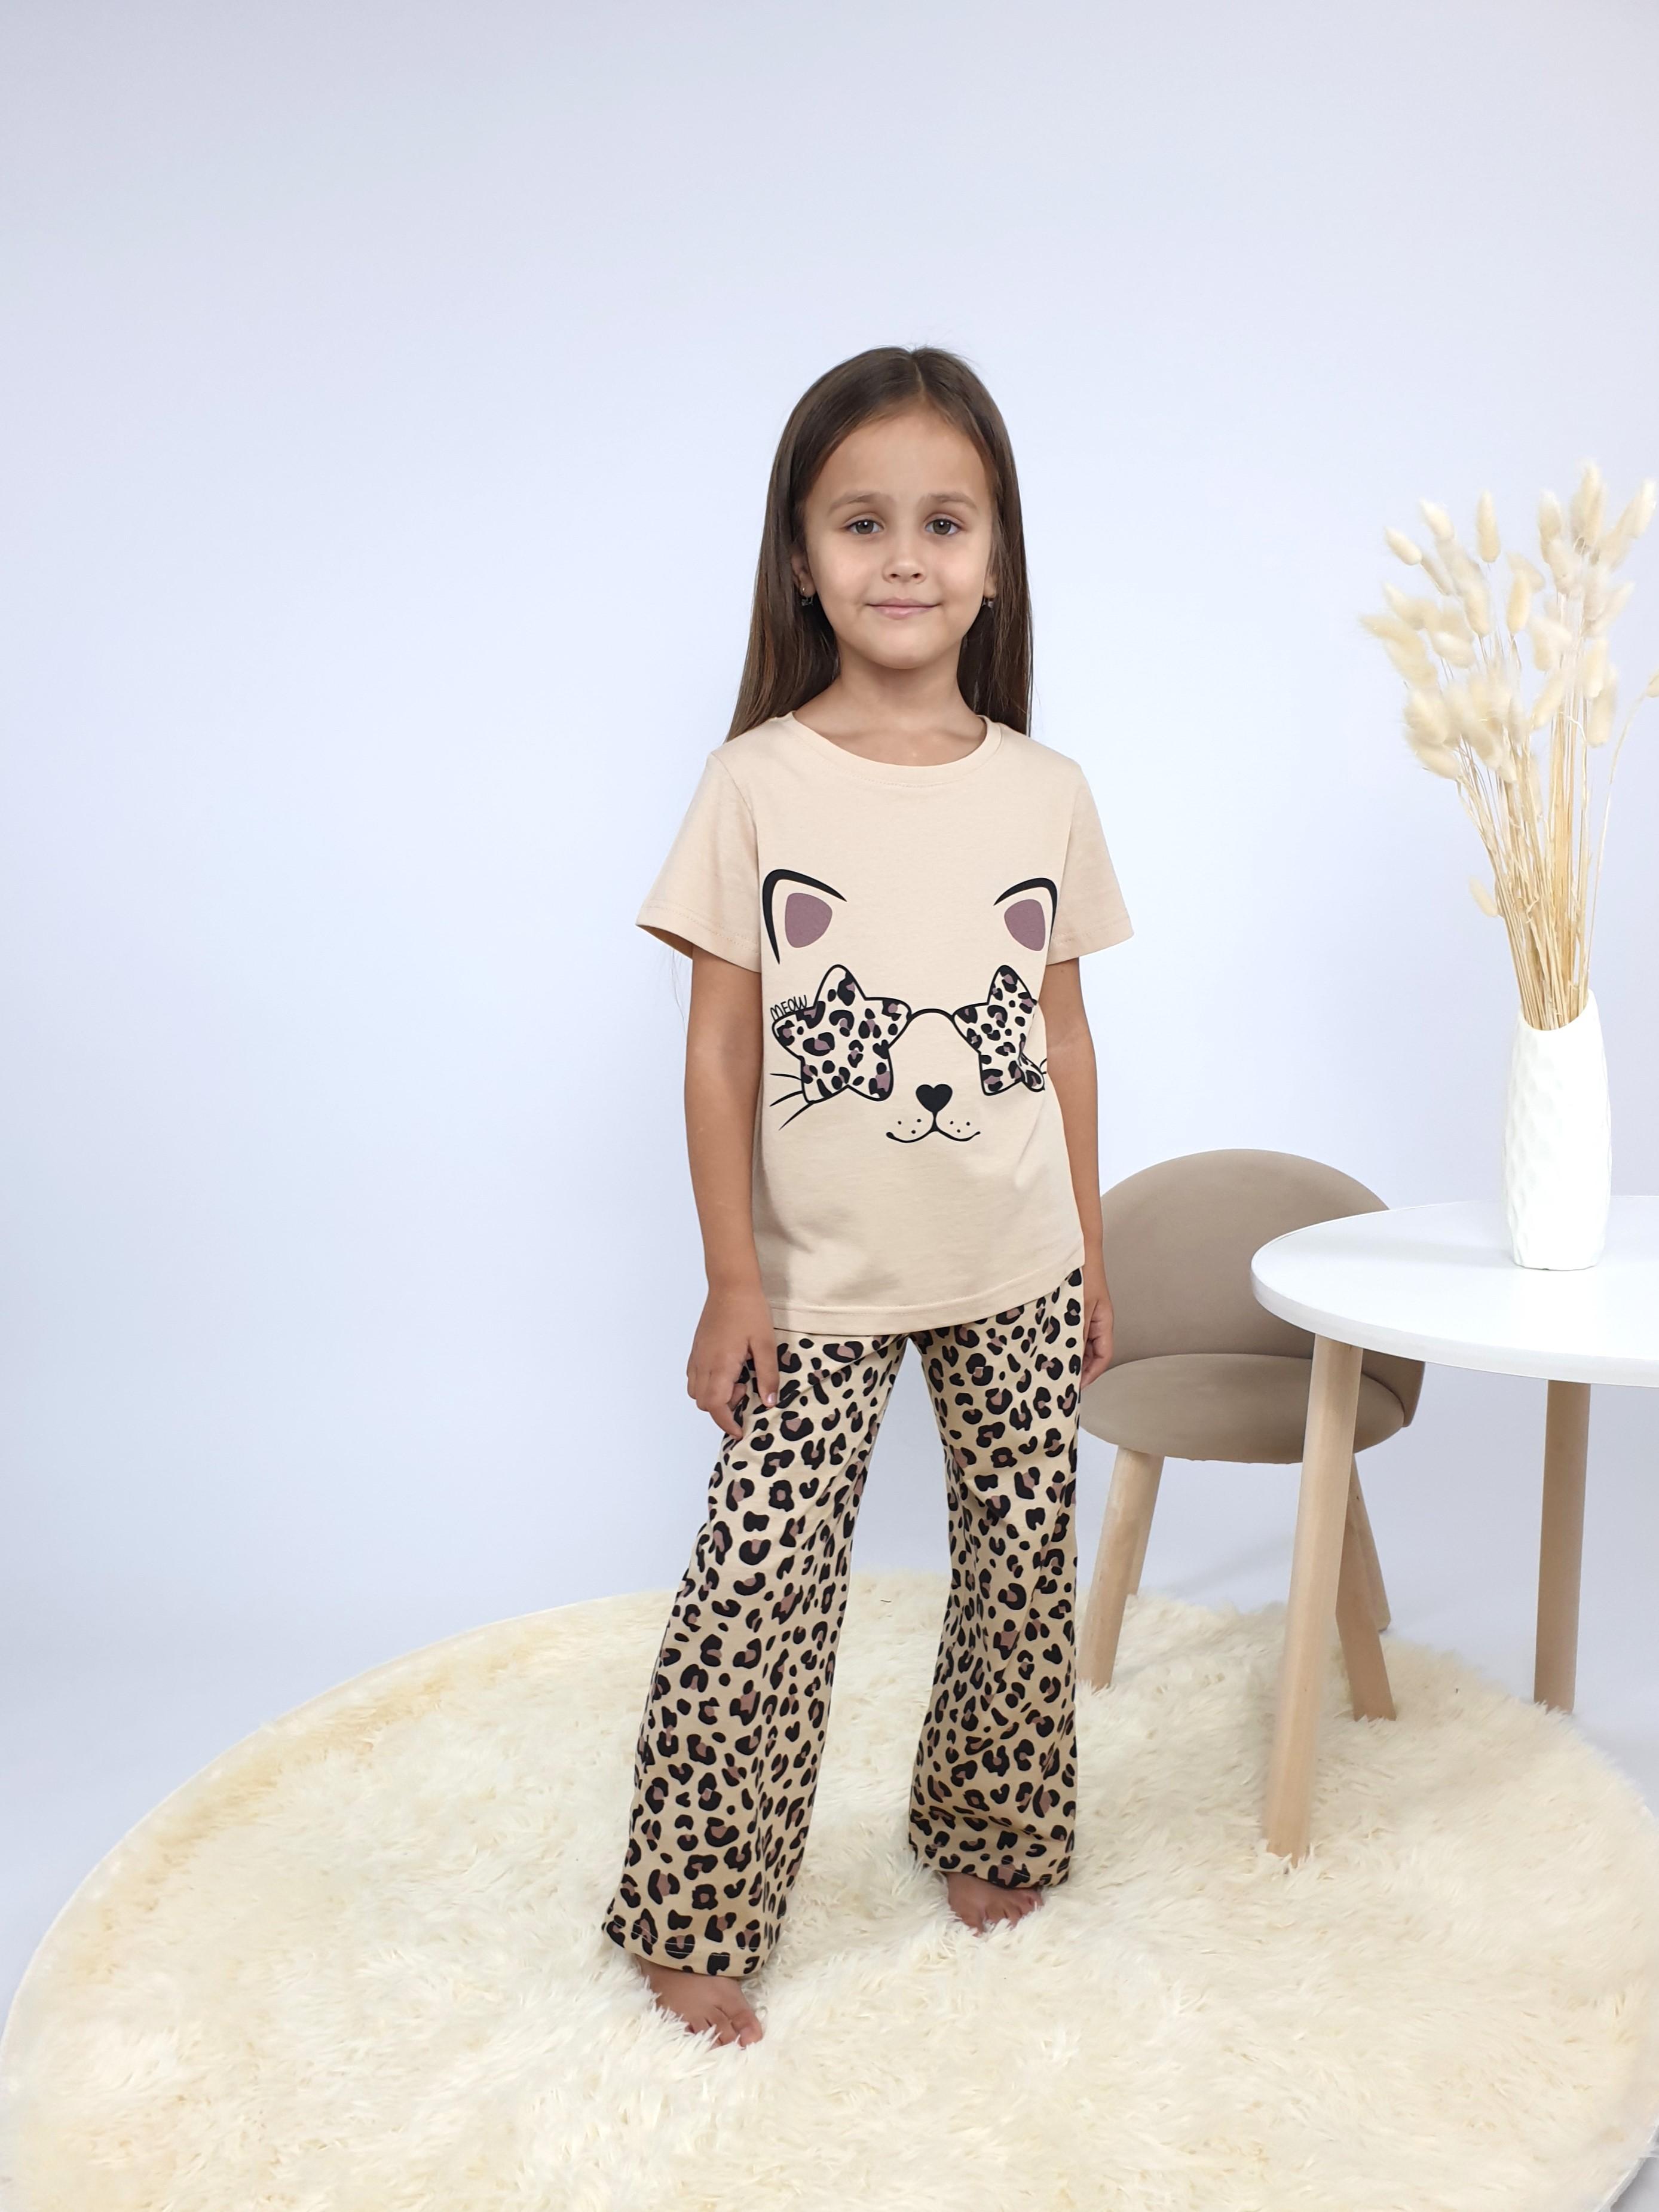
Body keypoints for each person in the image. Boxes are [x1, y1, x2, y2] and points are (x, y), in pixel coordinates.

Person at [601, 345, 1133, 2046]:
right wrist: (732, 1277)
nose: (906, 558)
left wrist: (1091, 1254)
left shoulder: (1046, 790)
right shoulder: (756, 782)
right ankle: (699, 1905)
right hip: (814, 1281)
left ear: (997, 558)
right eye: (863, 523)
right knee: (757, 1593)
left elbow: (1062, 1036)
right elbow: (718, 1047)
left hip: (1019, 1258)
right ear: (802, 559)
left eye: (944, 522)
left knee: (1021, 1561)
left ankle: (994, 1825)